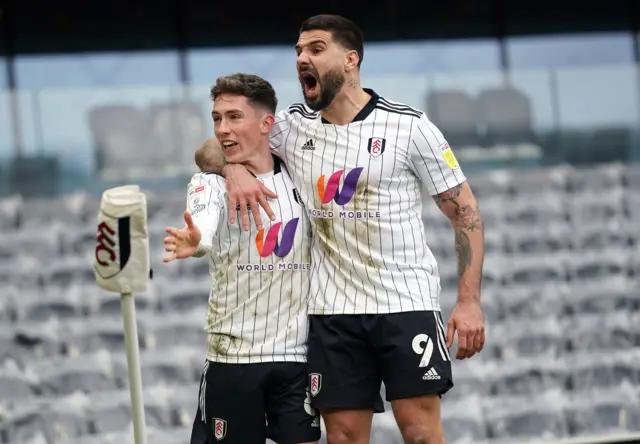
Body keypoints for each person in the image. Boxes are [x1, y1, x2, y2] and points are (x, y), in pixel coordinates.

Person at [214, 15, 486, 444]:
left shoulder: (409, 126)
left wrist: (468, 301)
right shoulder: (291, 127)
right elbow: (213, 148)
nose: (303, 57)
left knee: (420, 433)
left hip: (404, 304)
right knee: (341, 439)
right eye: (299, 51)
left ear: (351, 60)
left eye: (316, 49)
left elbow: (465, 214)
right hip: (332, 315)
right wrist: (232, 168)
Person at [162, 73, 320, 444]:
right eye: (217, 118)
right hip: (233, 358)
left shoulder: (301, 175)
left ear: (267, 123)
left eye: (234, 117)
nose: (222, 128)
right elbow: (200, 223)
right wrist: (196, 240)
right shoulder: (210, 182)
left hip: (296, 359)